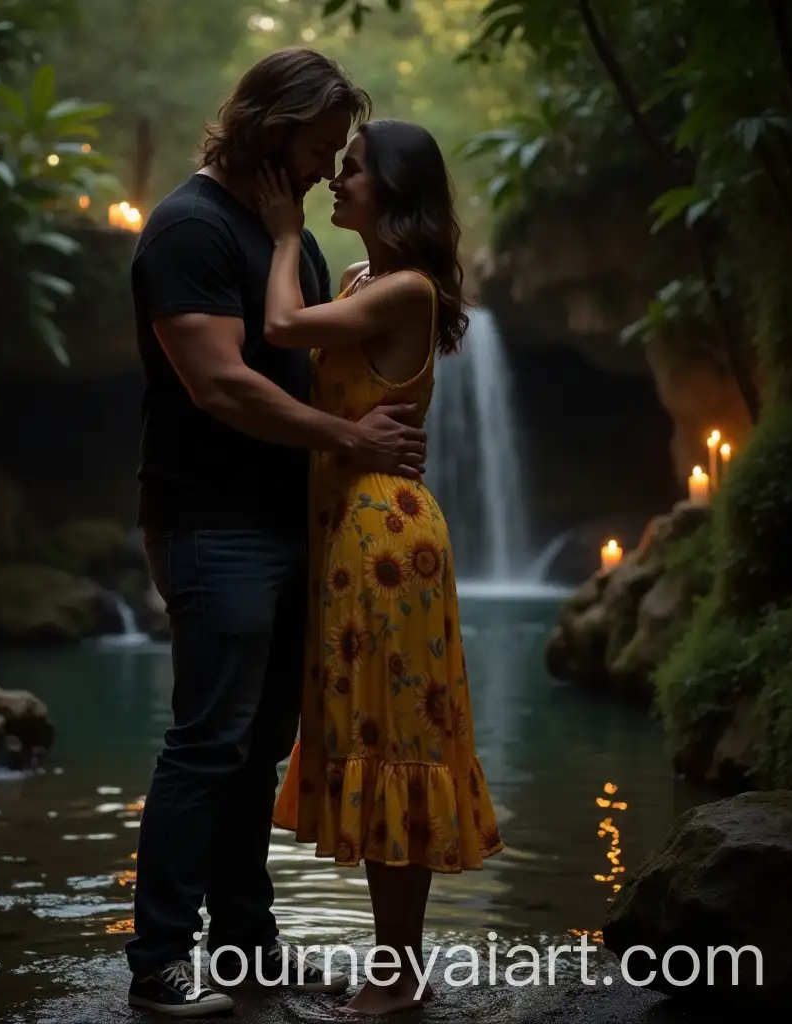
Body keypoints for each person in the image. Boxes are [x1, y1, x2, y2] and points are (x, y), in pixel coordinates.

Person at [125, 50, 429, 1017]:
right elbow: (219, 384)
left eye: (340, 152)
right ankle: (160, 964)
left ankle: (246, 946)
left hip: (300, 525)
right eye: (317, 145)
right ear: (270, 125)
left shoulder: (284, 234)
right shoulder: (188, 229)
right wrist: (350, 438)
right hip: (214, 524)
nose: (325, 163)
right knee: (210, 743)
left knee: (260, 749)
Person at [260, 119, 504, 1016]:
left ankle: (400, 974)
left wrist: (287, 236)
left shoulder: (404, 292)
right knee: (372, 739)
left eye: (351, 171)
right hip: (348, 537)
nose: (334, 181)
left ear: (394, 191)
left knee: (398, 743)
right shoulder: (365, 279)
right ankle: (392, 966)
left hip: (385, 543)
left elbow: (282, 324)